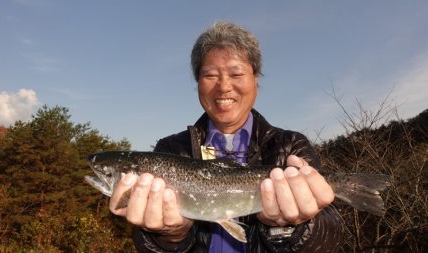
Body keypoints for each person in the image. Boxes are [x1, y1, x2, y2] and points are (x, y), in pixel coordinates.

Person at [109, 21, 343, 252]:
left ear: (256, 81)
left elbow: (331, 234)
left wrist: (291, 229)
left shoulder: (290, 145)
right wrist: (169, 236)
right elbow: (147, 242)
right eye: (210, 75)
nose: (223, 87)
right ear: (197, 83)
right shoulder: (170, 148)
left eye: (236, 73)